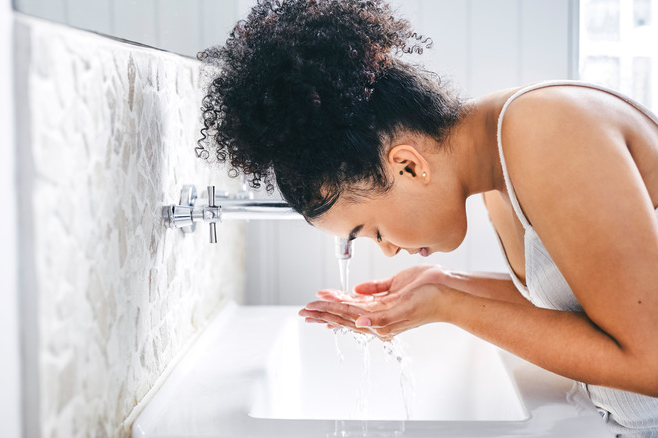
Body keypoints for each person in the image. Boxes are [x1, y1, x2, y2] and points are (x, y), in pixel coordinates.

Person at [196, 1, 658, 436]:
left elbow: (650, 362)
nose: (389, 250)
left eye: (372, 231)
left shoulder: (545, 132)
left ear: (408, 165)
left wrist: (448, 306)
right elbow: (595, 308)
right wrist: (446, 284)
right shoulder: (500, 162)